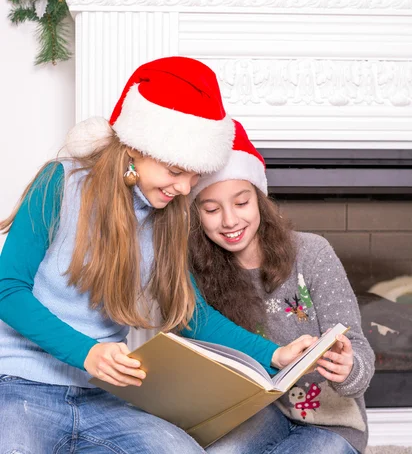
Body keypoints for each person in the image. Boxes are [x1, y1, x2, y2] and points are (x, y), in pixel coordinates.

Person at [0, 57, 314, 454]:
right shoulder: (61, 183)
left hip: (103, 394)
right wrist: (87, 352)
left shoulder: (167, 218)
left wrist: (275, 354)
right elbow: (7, 289)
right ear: (135, 147)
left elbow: (191, 315)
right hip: (18, 384)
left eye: (195, 175)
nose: (185, 189)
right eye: (174, 171)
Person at [189, 120, 375, 454]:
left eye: (242, 203)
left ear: (260, 200)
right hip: (255, 414)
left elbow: (359, 350)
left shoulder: (312, 252)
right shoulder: (198, 272)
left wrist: (349, 369)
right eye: (212, 210)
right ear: (196, 215)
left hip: (331, 419)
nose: (229, 220)